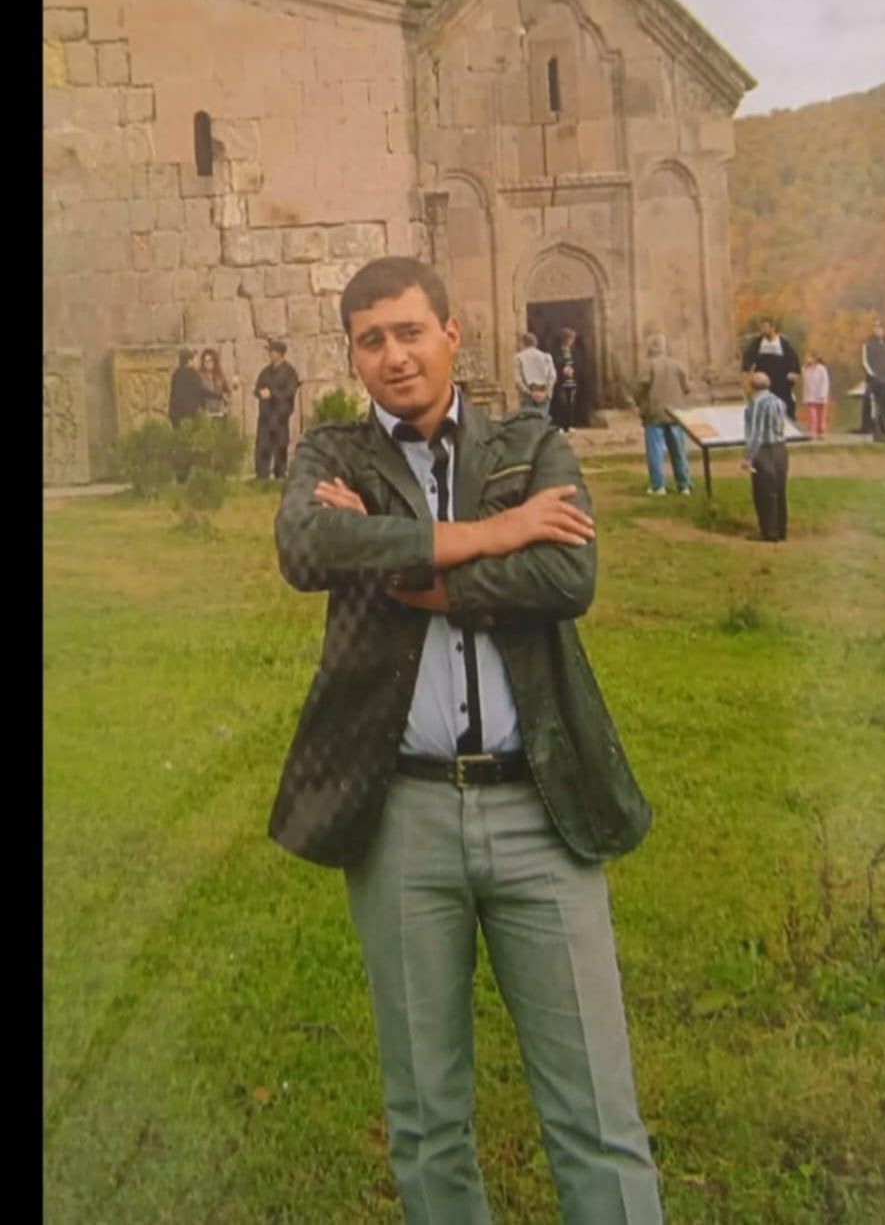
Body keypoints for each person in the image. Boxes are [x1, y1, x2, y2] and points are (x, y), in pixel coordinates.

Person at [270, 256, 662, 1225]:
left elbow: (566, 578)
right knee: (426, 1118)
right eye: (371, 339)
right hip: (401, 815)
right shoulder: (332, 453)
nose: (394, 355)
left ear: (452, 333)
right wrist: (494, 533)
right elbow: (308, 548)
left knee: (597, 1112)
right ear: (353, 356)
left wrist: (408, 570)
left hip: (540, 807)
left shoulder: (528, 444)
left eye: (410, 331)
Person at [634, 333, 693, 495]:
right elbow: (687, 387)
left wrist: (639, 402)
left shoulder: (648, 365)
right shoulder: (677, 365)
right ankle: (684, 485)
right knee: (679, 450)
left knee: (655, 451)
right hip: (675, 413)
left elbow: (640, 388)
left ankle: (658, 485)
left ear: (651, 348)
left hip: (655, 412)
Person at [742, 371, 789, 542]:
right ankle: (781, 529)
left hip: (764, 450)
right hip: (780, 448)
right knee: (779, 490)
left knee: (764, 491)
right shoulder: (779, 401)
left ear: (752, 386)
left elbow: (757, 433)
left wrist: (748, 457)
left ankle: (768, 531)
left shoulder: (756, 404)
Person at [253, 339, 300, 479]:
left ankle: (280, 474)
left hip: (280, 416)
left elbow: (290, 391)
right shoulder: (265, 372)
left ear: (280, 354)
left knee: (280, 445)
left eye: (273, 351)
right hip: (265, 415)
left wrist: (272, 393)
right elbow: (257, 389)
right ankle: (262, 475)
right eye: (270, 351)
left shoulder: (289, 372)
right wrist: (260, 393)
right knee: (263, 445)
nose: (270, 354)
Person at [741, 316, 801, 420]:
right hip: (764, 379)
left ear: (773, 328)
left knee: (784, 402)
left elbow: (793, 358)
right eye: (762, 327)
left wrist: (794, 372)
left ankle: (787, 422)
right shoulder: (758, 343)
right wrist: (746, 370)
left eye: (765, 327)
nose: (763, 330)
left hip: (781, 379)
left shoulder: (783, 343)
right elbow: (749, 356)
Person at [862, 320, 885, 442]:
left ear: (883, 329)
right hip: (875, 380)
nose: (878, 330)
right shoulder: (868, 343)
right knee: (878, 407)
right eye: (875, 327)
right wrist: (873, 375)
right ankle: (877, 433)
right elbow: (865, 361)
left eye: (880, 327)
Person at [513, 330, 557, 416]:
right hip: (544, 391)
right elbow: (552, 376)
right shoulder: (546, 356)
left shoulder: (519, 357)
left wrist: (530, 393)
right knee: (542, 419)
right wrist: (546, 392)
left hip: (528, 393)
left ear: (523, 343)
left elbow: (518, 380)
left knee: (528, 420)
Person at [167, 347, 204, 428]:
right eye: (195, 360)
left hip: (176, 414)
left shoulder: (176, 374)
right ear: (190, 361)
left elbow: (174, 394)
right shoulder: (194, 375)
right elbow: (201, 391)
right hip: (190, 413)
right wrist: (219, 395)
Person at [552, 326, 580, 432]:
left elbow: (578, 364)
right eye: (571, 339)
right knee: (561, 404)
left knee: (571, 404)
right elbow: (554, 364)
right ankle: (560, 425)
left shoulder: (574, 351)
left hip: (571, 381)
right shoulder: (556, 351)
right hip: (561, 381)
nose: (572, 341)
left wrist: (573, 371)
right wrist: (562, 369)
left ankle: (569, 425)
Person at [801, 351, 830, 438]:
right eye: (806, 358)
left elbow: (825, 382)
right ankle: (812, 431)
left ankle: (821, 431)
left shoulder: (821, 369)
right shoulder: (805, 369)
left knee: (821, 415)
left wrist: (823, 393)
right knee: (812, 415)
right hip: (810, 395)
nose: (807, 359)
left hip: (820, 395)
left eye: (809, 357)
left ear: (814, 358)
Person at [199, 347, 232, 419]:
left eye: (210, 361)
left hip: (219, 411)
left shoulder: (219, 376)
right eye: (205, 361)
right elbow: (202, 391)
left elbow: (226, 391)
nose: (207, 363)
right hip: (206, 412)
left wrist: (227, 397)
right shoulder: (199, 377)